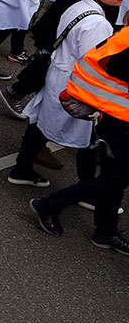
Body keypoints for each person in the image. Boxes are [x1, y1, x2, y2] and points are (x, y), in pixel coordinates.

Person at [8, 0, 128, 187]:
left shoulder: (79, 6)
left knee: (41, 122)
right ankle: (88, 189)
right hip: (76, 84)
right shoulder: (98, 24)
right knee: (89, 140)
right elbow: (95, 62)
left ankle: (22, 167)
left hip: (59, 76)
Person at [29, 26, 129, 254]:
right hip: (118, 119)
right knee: (112, 181)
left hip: (115, 116)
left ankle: (106, 231)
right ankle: (48, 205)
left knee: (116, 180)